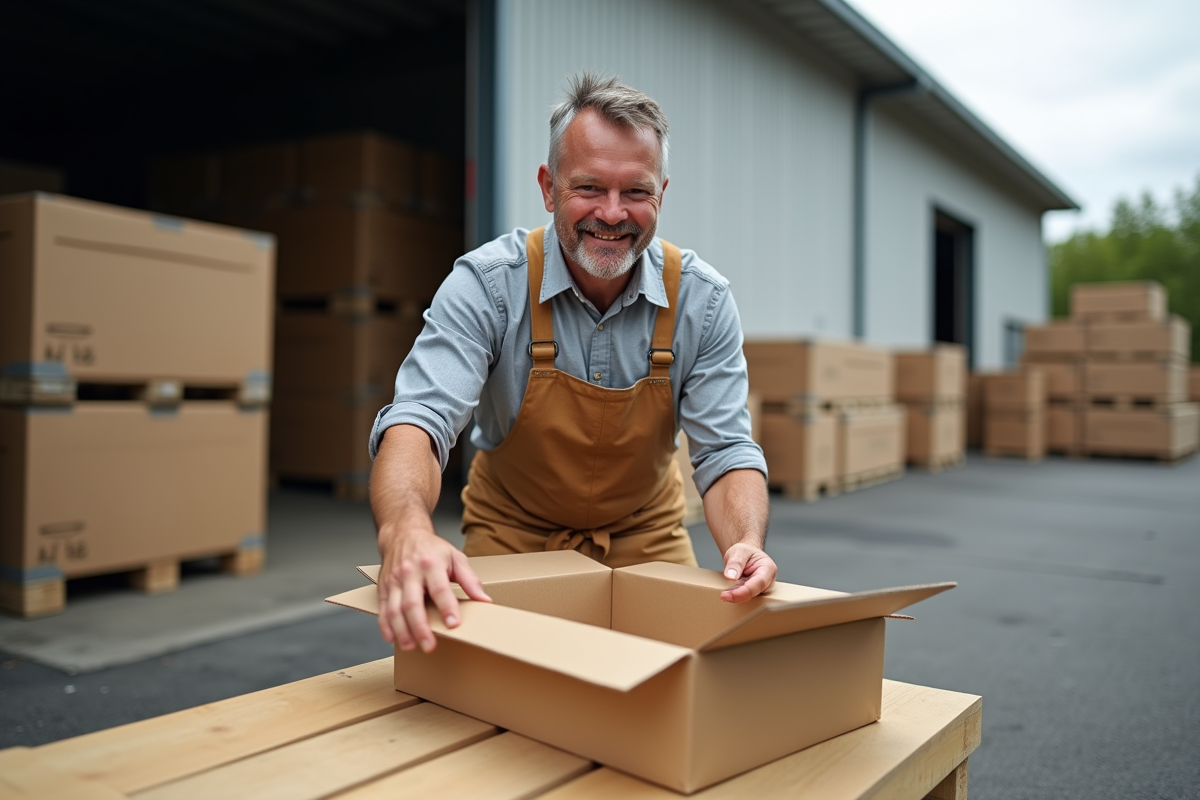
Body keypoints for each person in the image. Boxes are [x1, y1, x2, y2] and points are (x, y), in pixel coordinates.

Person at [369, 73, 776, 653]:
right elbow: (419, 421)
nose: (612, 214)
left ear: (662, 192)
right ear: (548, 186)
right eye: (589, 187)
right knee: (501, 696)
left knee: (678, 683)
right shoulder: (488, 286)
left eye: (635, 192)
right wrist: (405, 529)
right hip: (512, 531)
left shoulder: (702, 302)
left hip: (647, 532)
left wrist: (746, 541)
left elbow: (726, 451)